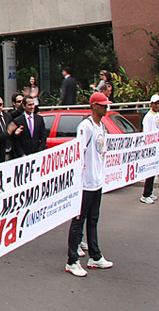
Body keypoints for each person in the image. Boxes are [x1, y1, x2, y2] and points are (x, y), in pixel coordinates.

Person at [65, 92, 114, 277]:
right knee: (79, 221)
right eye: (102, 105)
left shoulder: (102, 127)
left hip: (96, 182)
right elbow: (78, 152)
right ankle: (72, 261)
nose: (106, 107)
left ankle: (95, 255)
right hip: (85, 183)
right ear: (94, 106)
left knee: (93, 220)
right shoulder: (86, 126)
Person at [140, 94, 159, 205]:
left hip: (157, 146)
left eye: (158, 103)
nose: (157, 105)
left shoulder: (158, 115)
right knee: (150, 170)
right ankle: (145, 194)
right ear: (151, 104)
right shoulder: (148, 117)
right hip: (151, 148)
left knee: (154, 169)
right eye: (155, 103)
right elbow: (147, 134)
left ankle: (150, 192)